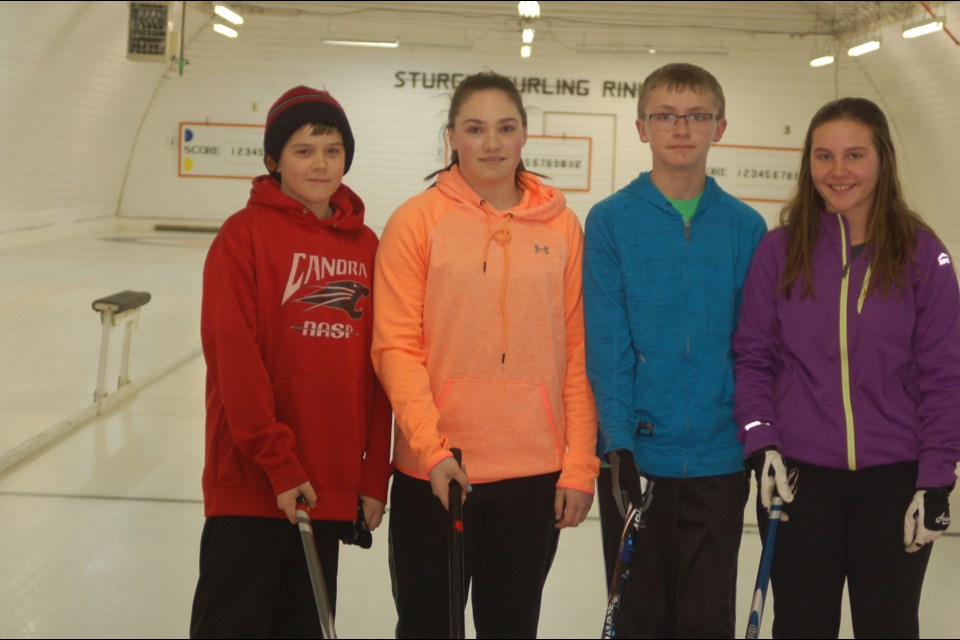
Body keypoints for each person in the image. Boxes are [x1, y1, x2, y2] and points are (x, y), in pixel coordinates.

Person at [371, 71, 599, 638]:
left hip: (533, 474)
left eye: (505, 128)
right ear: (452, 136)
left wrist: (578, 466)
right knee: (429, 627)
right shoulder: (415, 221)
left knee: (511, 627)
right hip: (438, 471)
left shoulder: (564, 228)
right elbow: (396, 348)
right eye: (475, 129)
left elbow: (576, 352)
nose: (492, 143)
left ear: (525, 135)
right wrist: (430, 450)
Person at [733, 97, 960, 638]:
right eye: (824, 156)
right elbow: (753, 357)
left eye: (854, 155)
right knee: (802, 625)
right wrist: (760, 442)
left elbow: (945, 375)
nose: (838, 171)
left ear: (882, 159)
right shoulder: (779, 251)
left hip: (894, 484)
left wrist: (936, 483)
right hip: (798, 482)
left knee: (889, 625)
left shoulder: (923, 255)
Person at [189, 86, 392, 638]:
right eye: (304, 150)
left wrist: (372, 476)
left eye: (332, 149)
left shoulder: (368, 246)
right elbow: (235, 360)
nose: (320, 163)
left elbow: (381, 369)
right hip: (254, 486)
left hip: (327, 488)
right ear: (274, 160)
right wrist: (278, 463)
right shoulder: (243, 237)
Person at [584, 62, 767, 638]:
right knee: (639, 618)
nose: (681, 128)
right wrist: (618, 445)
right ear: (643, 128)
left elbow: (757, 348)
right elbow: (608, 344)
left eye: (696, 116)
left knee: (706, 618)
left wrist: (758, 439)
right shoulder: (611, 222)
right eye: (666, 115)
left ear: (720, 126)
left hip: (719, 459)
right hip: (637, 458)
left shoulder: (746, 227)